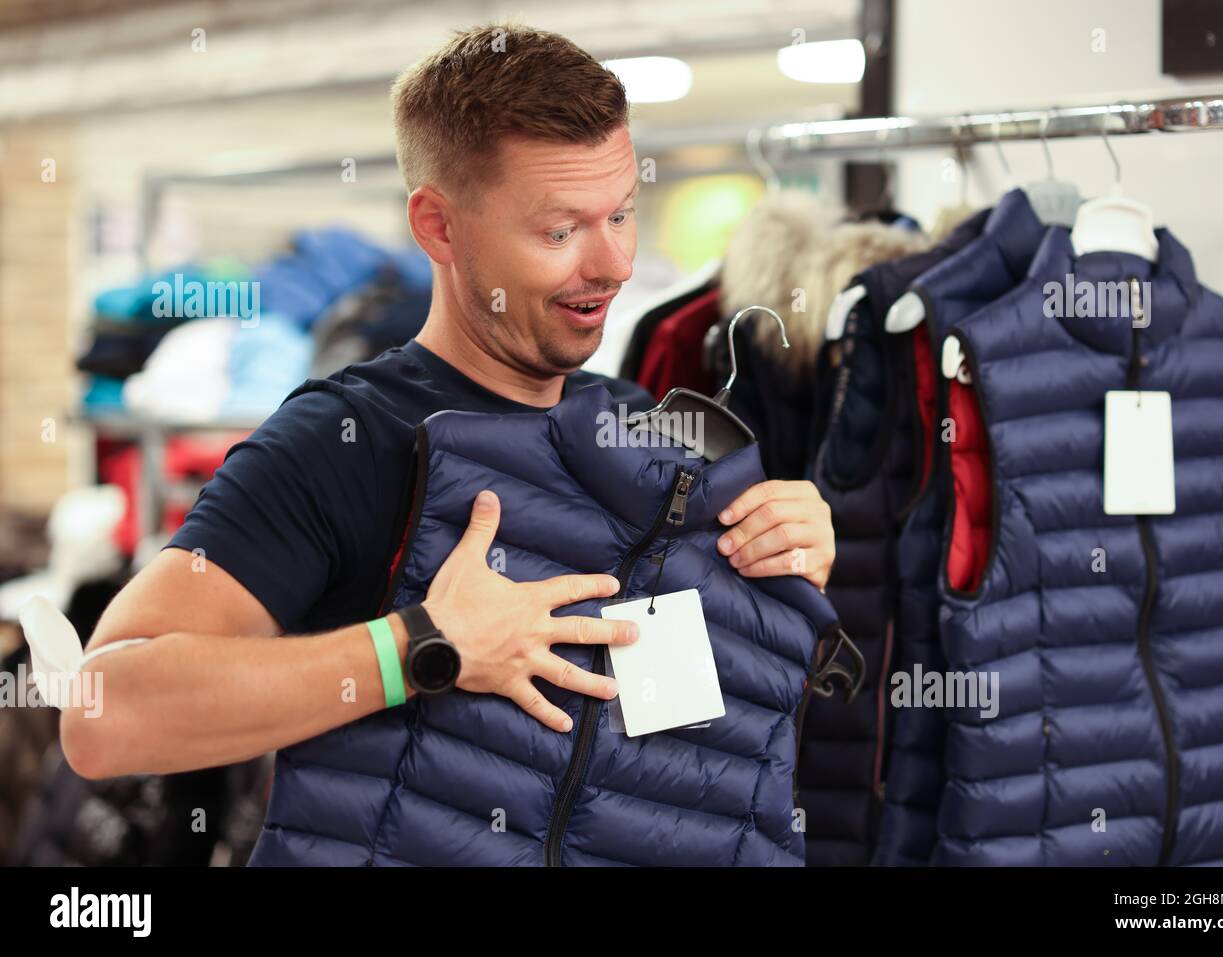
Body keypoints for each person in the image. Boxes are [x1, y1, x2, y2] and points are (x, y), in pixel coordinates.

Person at [60, 23, 836, 782]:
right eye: (562, 229)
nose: (616, 265)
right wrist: (419, 646)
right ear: (439, 226)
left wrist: (788, 570)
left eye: (623, 213)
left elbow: (687, 738)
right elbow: (104, 714)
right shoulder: (341, 439)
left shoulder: (660, 428)